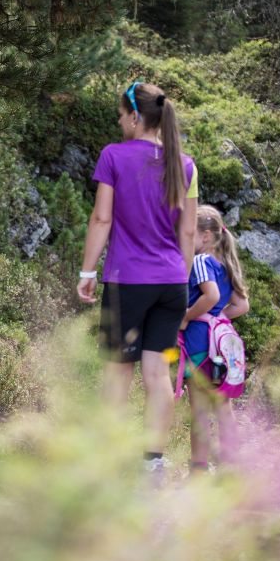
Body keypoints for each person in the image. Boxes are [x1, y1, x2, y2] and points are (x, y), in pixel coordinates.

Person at [77, 81, 199, 482]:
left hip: (128, 283)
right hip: (171, 285)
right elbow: (187, 234)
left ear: (134, 116)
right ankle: (153, 465)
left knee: (118, 372)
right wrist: (180, 282)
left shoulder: (113, 156)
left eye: (120, 113)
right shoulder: (185, 164)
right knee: (158, 374)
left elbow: (101, 219)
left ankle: (107, 462)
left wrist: (88, 271)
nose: (117, 120)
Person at [180, 205, 250, 475]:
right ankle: (231, 466)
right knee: (223, 406)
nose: (186, 239)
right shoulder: (226, 264)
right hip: (222, 345)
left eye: (190, 234)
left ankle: (198, 468)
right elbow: (241, 306)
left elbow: (208, 296)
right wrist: (216, 317)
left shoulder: (200, 261)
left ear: (206, 236)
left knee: (198, 407)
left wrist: (188, 317)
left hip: (200, 346)